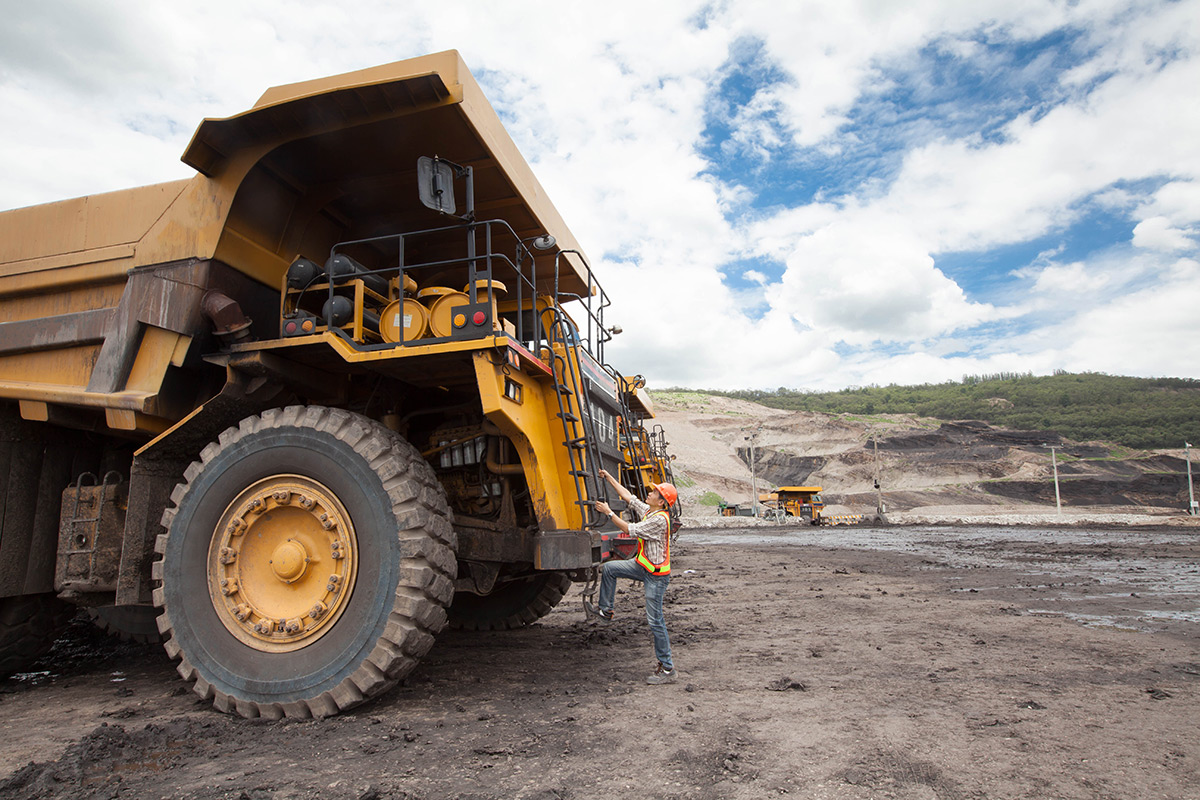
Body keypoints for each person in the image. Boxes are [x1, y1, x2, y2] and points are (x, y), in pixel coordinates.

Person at [585, 468, 678, 685]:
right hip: (642, 566)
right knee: (610, 569)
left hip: (655, 577)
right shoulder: (651, 510)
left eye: (655, 492)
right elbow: (629, 497)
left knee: (655, 621)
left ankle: (667, 668)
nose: (650, 492)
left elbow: (628, 528)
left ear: (662, 501)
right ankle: (606, 611)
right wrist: (609, 477)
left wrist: (608, 513)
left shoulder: (659, 521)